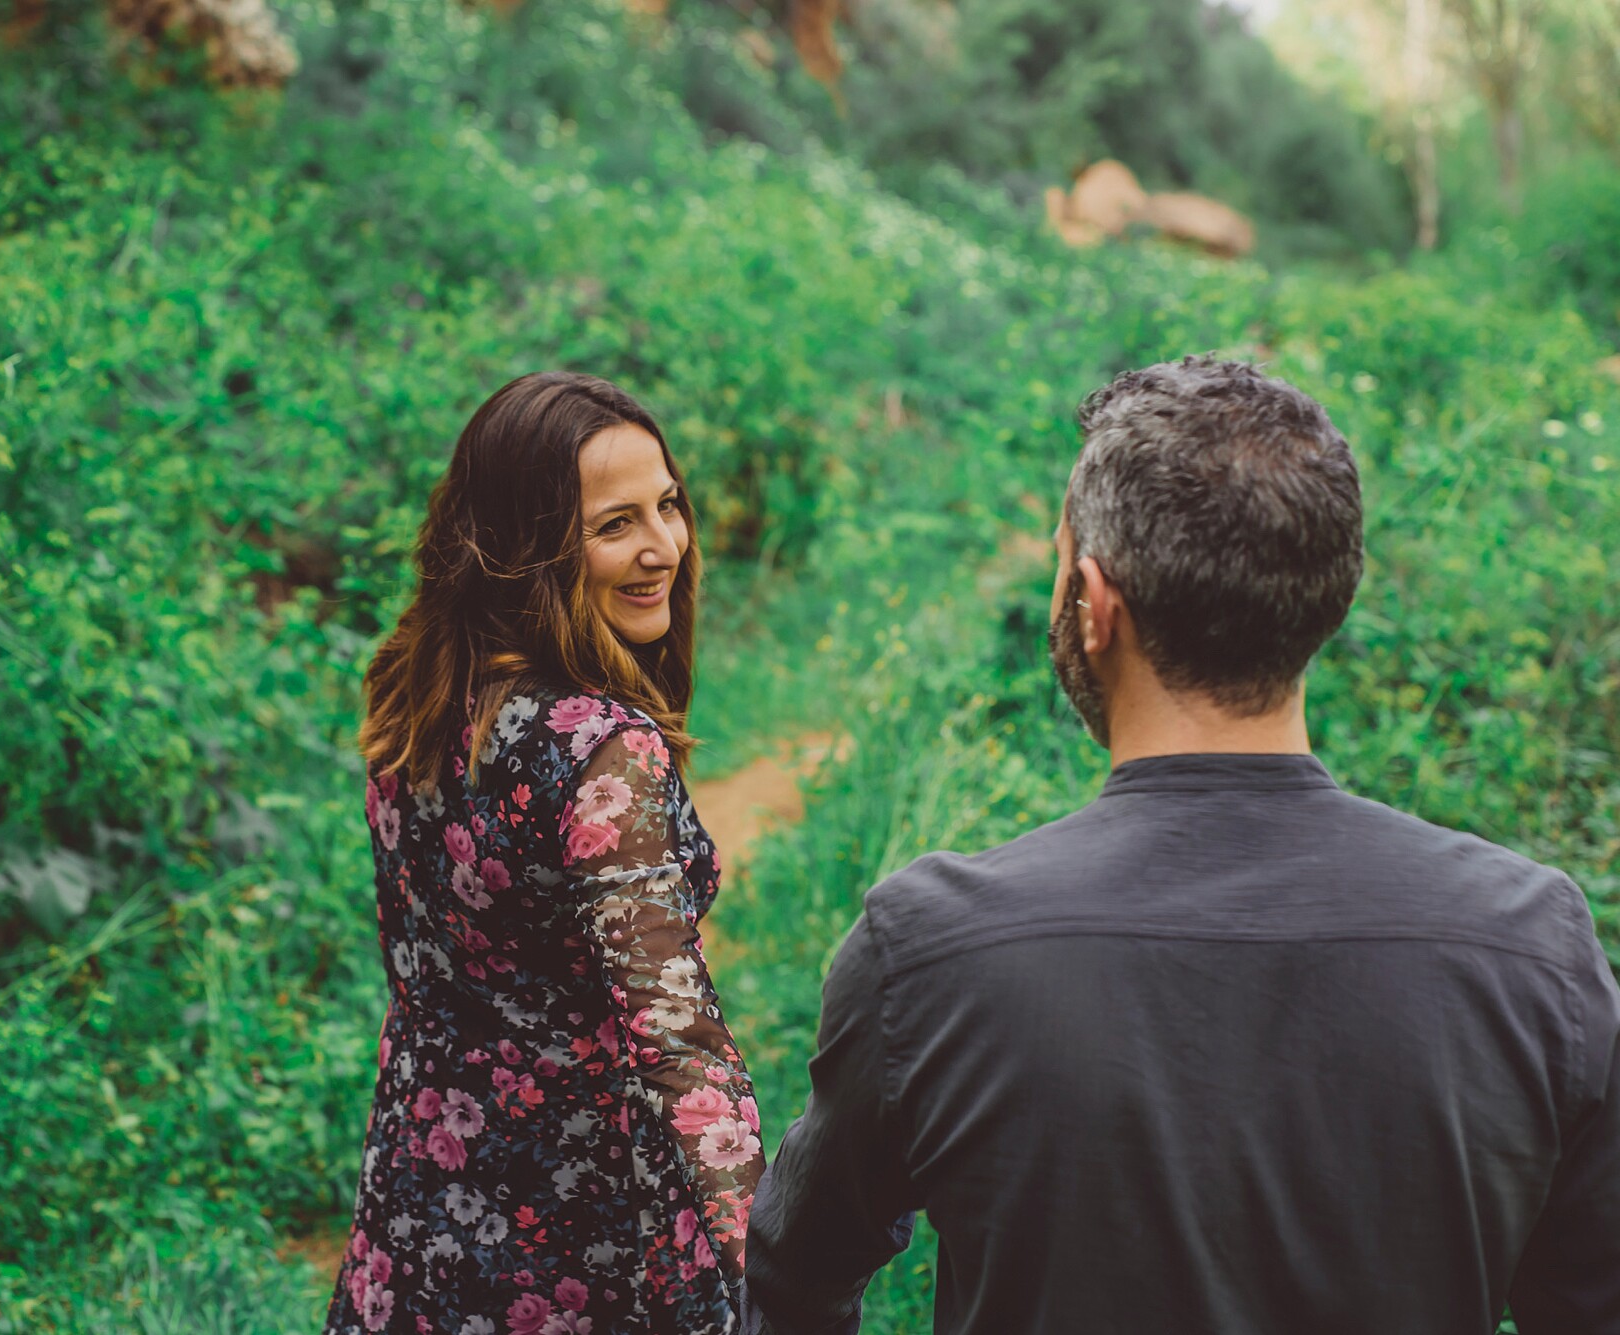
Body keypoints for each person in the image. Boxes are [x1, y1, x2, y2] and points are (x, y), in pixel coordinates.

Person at [743, 356, 1620, 1335]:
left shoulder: (929, 952)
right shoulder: (1531, 947)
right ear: (1328, 592)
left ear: (1093, 600)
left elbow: (788, 1279)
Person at [326, 372, 763, 1335]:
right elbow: (677, 1040)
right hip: (584, 1232)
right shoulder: (601, 749)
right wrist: (771, 1255)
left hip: (422, 1195)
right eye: (615, 526)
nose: (663, 547)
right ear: (530, 549)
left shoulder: (421, 697)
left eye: (668, 505)